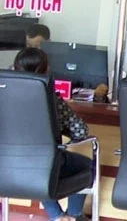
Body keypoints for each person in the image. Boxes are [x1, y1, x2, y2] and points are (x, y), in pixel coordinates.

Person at [13, 47, 91, 221]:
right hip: (44, 165)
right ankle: (74, 216)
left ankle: (56, 216)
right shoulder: (50, 99)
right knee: (86, 165)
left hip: (7, 169)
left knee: (35, 167)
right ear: (45, 70)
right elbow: (81, 131)